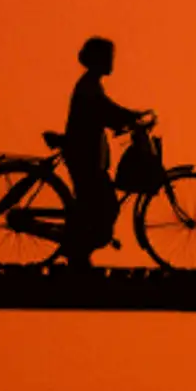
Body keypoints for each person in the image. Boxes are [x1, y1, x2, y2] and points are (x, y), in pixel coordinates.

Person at [61, 36, 149, 266]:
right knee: (105, 206)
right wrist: (131, 116)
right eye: (109, 57)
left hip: (87, 155)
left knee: (93, 205)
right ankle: (78, 250)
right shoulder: (89, 86)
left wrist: (128, 117)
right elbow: (105, 110)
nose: (112, 62)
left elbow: (106, 111)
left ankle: (79, 251)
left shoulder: (91, 84)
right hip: (84, 155)